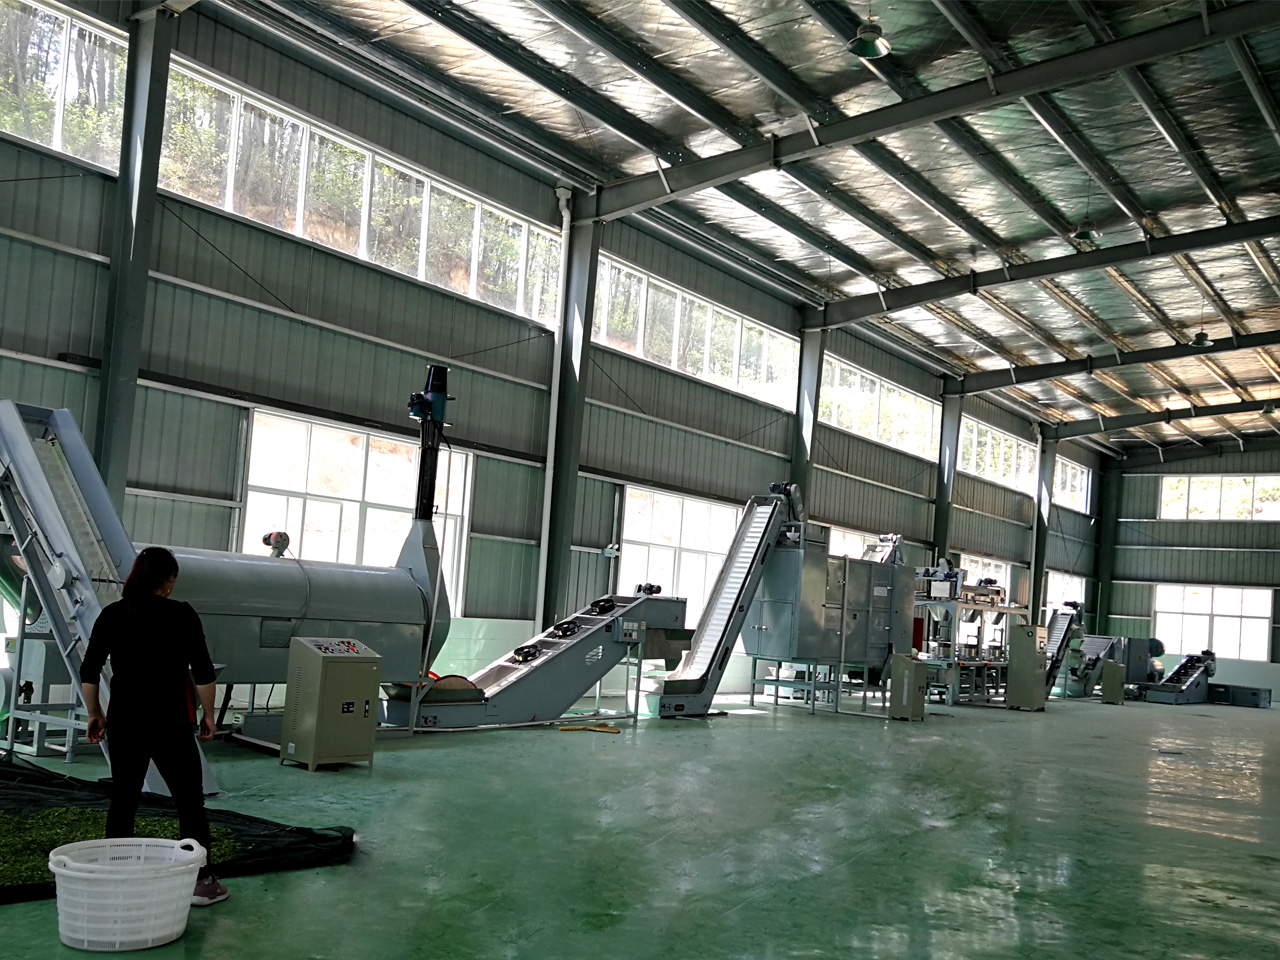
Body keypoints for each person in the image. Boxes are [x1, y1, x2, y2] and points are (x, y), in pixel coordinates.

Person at [80, 546, 229, 907]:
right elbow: (203, 671)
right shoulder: (182, 614)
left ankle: (117, 875)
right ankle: (201, 881)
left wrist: (95, 712)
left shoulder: (113, 614)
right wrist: (209, 714)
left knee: (124, 797)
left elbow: (90, 669)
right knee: (189, 801)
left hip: (125, 721)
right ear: (168, 580)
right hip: (170, 722)